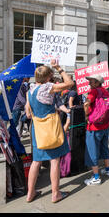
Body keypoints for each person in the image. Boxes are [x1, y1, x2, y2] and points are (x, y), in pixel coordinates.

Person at [25, 59, 73, 203]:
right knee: (54, 160)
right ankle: (55, 193)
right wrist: (58, 67)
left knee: (36, 161)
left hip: (37, 129)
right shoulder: (47, 87)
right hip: (50, 127)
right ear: (47, 77)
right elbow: (69, 83)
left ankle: (30, 193)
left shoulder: (30, 89)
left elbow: (28, 113)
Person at [83, 74, 109, 185]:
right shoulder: (106, 91)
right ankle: (107, 169)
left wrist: (86, 116)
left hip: (94, 126)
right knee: (105, 148)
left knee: (92, 151)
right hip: (105, 125)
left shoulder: (94, 91)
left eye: (91, 81)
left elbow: (86, 104)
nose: (89, 83)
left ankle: (96, 177)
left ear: (96, 82)